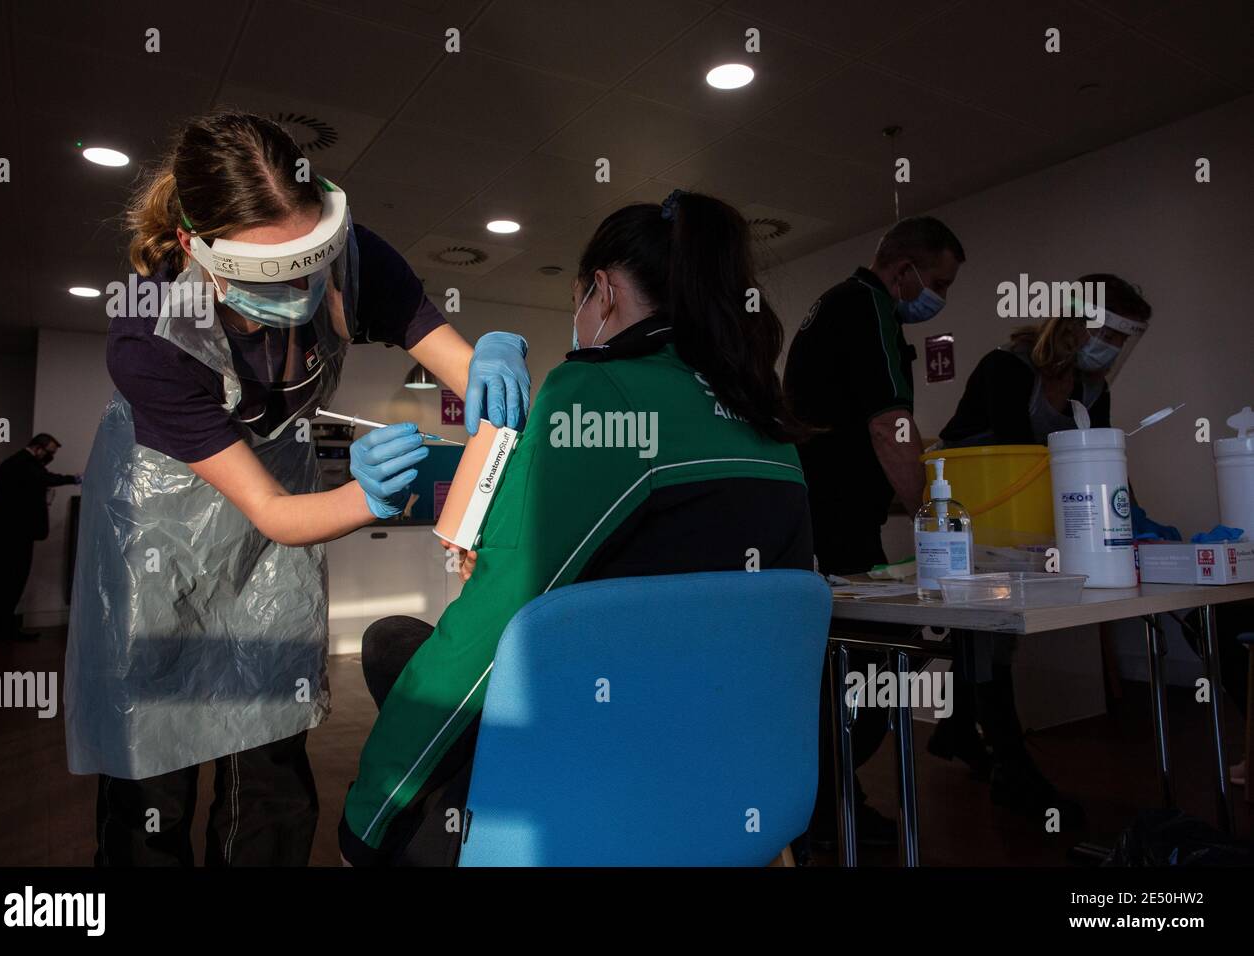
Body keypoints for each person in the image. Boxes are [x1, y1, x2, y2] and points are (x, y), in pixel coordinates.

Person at [64, 111, 531, 867]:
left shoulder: (355, 259)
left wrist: (496, 360)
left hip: (281, 512)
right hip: (158, 528)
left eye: (308, 262)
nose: (297, 288)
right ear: (196, 250)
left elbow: (469, 383)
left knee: (272, 762)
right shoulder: (149, 335)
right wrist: (364, 499)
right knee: (153, 769)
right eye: (264, 275)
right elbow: (273, 511)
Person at [339, 190, 816, 865]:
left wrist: (368, 817)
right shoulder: (771, 426)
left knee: (394, 644)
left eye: (578, 302)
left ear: (604, 291)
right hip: (741, 783)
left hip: (591, 790)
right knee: (399, 644)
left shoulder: (593, 391)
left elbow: (484, 642)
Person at [930, 275, 1153, 826]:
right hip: (976, 517)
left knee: (996, 635)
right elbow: (1014, 453)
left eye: (1127, 342)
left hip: (1035, 525)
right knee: (990, 632)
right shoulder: (1005, 368)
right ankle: (1012, 769)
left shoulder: (1093, 390)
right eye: (1114, 335)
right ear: (1079, 322)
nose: (1117, 351)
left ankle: (959, 728)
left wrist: (1132, 520)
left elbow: (1096, 460)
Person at [783, 216, 966, 857]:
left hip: (815, 513)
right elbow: (889, 424)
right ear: (903, 270)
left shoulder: (830, 304)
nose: (935, 295)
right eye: (936, 282)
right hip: (838, 519)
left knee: (849, 660)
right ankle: (831, 804)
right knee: (881, 657)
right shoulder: (870, 306)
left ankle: (829, 798)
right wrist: (930, 514)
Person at [0, 433, 80, 640]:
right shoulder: (22, 463)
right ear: (38, 448)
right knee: (9, 582)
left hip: (7, 533)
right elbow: (45, 478)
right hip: (11, 535)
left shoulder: (17, 463)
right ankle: (1, 630)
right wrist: (75, 479)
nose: (50, 457)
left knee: (2, 583)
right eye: (50, 452)